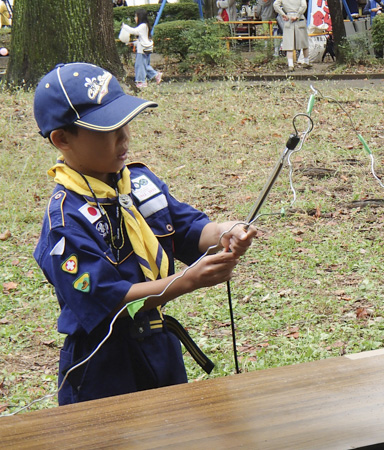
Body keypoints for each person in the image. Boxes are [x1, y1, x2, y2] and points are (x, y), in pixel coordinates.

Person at [32, 62, 257, 405]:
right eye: (107, 129)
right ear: (62, 139)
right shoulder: (65, 222)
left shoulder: (139, 184)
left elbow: (190, 229)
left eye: (125, 124)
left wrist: (226, 232)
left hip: (159, 346)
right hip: (103, 365)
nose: (124, 138)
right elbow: (108, 303)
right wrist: (187, 281)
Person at [121, 9, 162, 88]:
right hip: (146, 48)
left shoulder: (142, 26)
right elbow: (142, 39)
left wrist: (125, 27)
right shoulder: (145, 26)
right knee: (145, 65)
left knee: (139, 65)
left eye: (136, 16)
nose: (135, 18)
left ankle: (141, 81)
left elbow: (134, 31)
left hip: (142, 50)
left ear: (140, 16)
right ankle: (156, 75)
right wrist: (133, 44)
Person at [274, 0, 311, 71]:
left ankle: (290, 64)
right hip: (300, 18)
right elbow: (304, 6)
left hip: (288, 18)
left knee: (289, 44)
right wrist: (297, 15)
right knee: (304, 43)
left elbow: (275, 5)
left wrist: (283, 14)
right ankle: (306, 62)